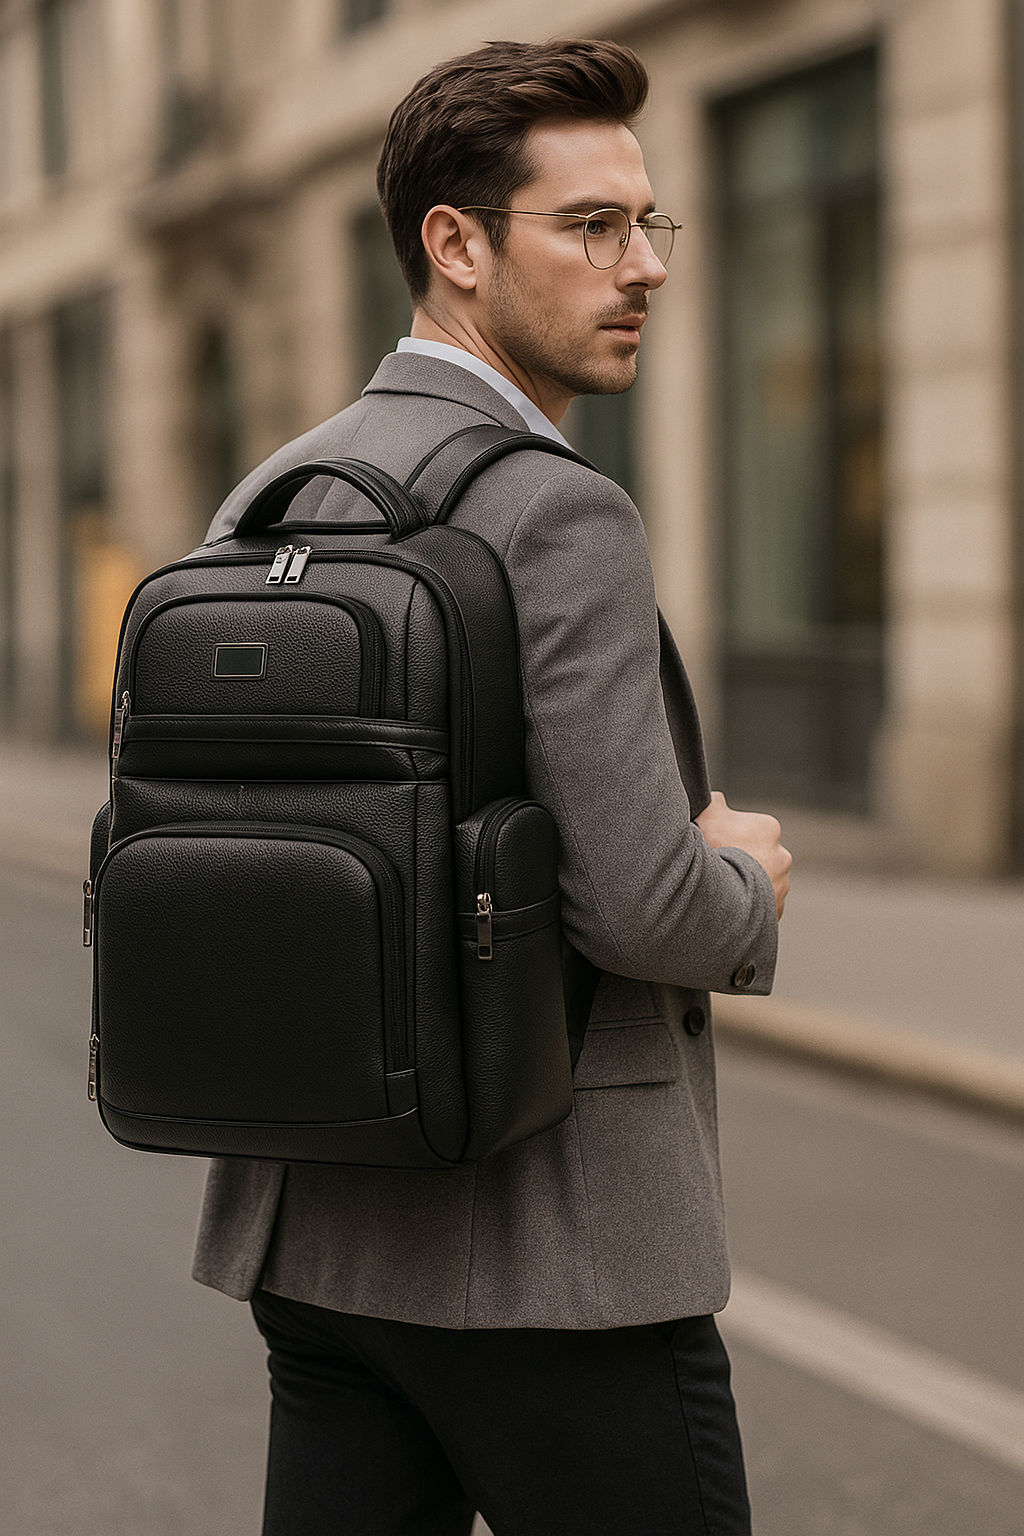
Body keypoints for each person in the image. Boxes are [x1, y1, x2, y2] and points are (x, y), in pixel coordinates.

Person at [196, 37, 791, 1536]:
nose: (643, 264)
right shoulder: (554, 513)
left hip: (315, 1240)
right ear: (454, 246)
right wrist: (744, 880)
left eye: (649, 223)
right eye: (590, 228)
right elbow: (646, 910)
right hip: (557, 1259)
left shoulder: (275, 494)